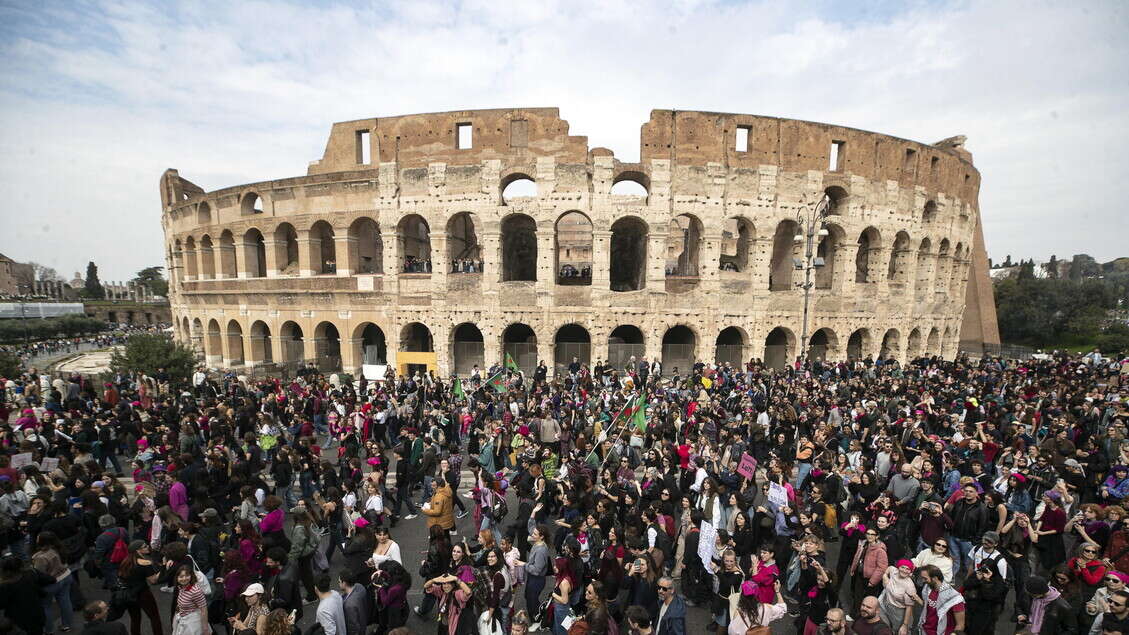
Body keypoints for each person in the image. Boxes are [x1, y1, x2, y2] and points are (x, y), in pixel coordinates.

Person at [31, 530, 75, 633]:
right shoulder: (59, 548)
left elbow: (40, 574)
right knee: (65, 601)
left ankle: (49, 630)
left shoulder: (41, 557)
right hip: (66, 576)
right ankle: (67, 625)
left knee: (46, 606)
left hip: (52, 583)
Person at [117, 540, 164, 635]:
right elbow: (153, 580)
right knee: (154, 617)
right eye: (144, 546)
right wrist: (163, 568)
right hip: (143, 594)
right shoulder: (145, 563)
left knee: (135, 619)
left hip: (129, 594)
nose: (147, 547)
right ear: (137, 550)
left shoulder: (125, 562)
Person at [0, 555, 54, 635]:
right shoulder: (30, 574)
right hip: (38, 617)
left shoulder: (5, 587)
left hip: (21, 624)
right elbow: (50, 580)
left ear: (8, 572)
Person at [915, 564, 964, 635]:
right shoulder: (927, 588)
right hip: (925, 630)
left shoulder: (955, 598)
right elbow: (928, 608)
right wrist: (917, 599)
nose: (923, 581)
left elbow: (960, 625)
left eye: (925, 578)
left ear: (935, 578)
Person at [961, 564, 1008, 635]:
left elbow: (989, 596)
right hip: (971, 608)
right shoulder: (978, 574)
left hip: (986, 612)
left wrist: (987, 581)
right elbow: (966, 585)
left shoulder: (998, 581)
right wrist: (977, 579)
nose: (984, 572)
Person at [171, 563, 209, 635]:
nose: (184, 578)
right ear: (177, 578)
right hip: (183, 619)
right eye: (181, 576)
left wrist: (205, 630)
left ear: (191, 576)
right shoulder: (181, 587)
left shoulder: (195, 591)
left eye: (187, 575)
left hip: (192, 624)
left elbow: (204, 610)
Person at [339, 569, 371, 635]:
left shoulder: (349, 605)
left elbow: (353, 627)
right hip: (363, 622)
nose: (338, 583)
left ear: (344, 583)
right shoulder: (360, 586)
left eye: (339, 582)